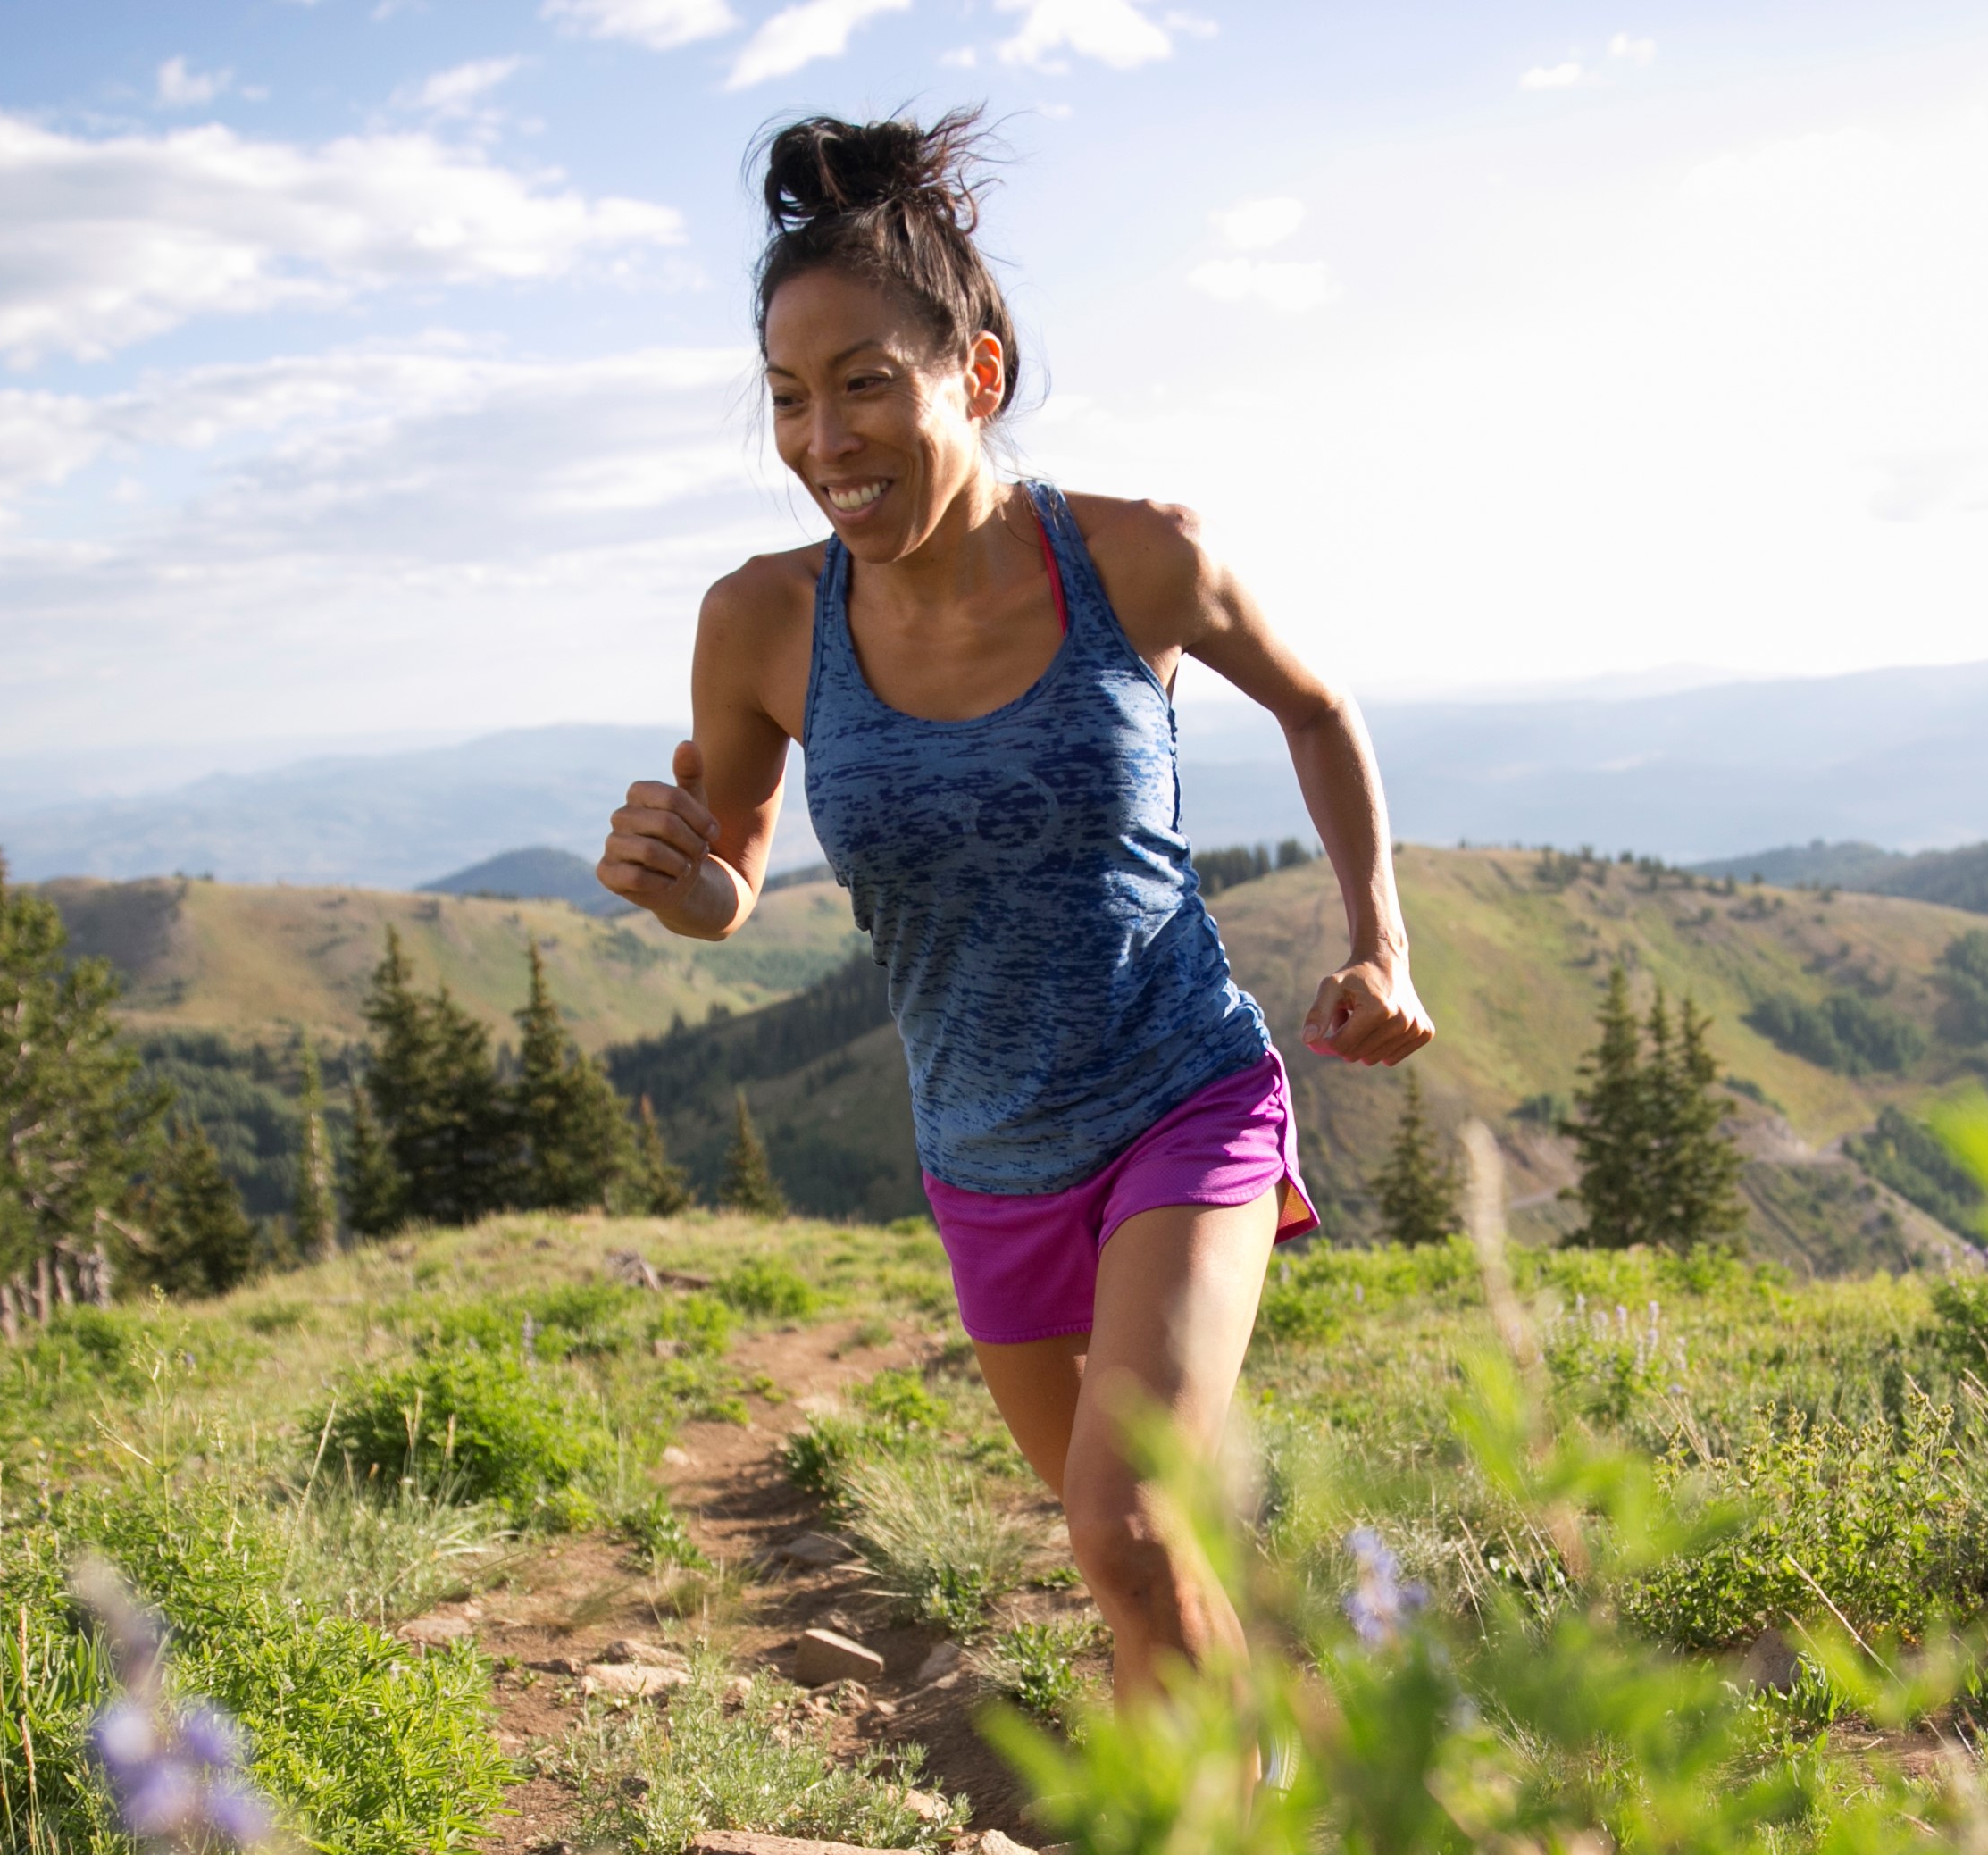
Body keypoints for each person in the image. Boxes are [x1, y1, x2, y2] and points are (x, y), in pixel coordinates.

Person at [596, 110, 1432, 1712]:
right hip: (981, 1153)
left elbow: (1319, 709)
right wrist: (675, 878)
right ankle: (1261, 1778)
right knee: (1138, 1555)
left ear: (973, 376)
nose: (822, 437)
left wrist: (1378, 941)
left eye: (864, 384)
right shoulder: (761, 622)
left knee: (1125, 1523)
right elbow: (733, 881)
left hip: (1181, 1097)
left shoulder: (1139, 559)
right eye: (787, 395)